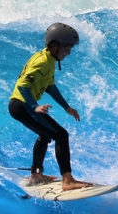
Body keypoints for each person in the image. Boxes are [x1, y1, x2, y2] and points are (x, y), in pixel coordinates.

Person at [8, 22, 92, 191]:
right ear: (54, 46)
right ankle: (67, 181)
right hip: (22, 105)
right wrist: (34, 107)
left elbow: (50, 87)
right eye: (66, 48)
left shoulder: (48, 59)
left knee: (45, 135)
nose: (68, 52)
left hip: (20, 106)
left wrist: (66, 107)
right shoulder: (42, 62)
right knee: (61, 135)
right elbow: (23, 86)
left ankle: (36, 175)